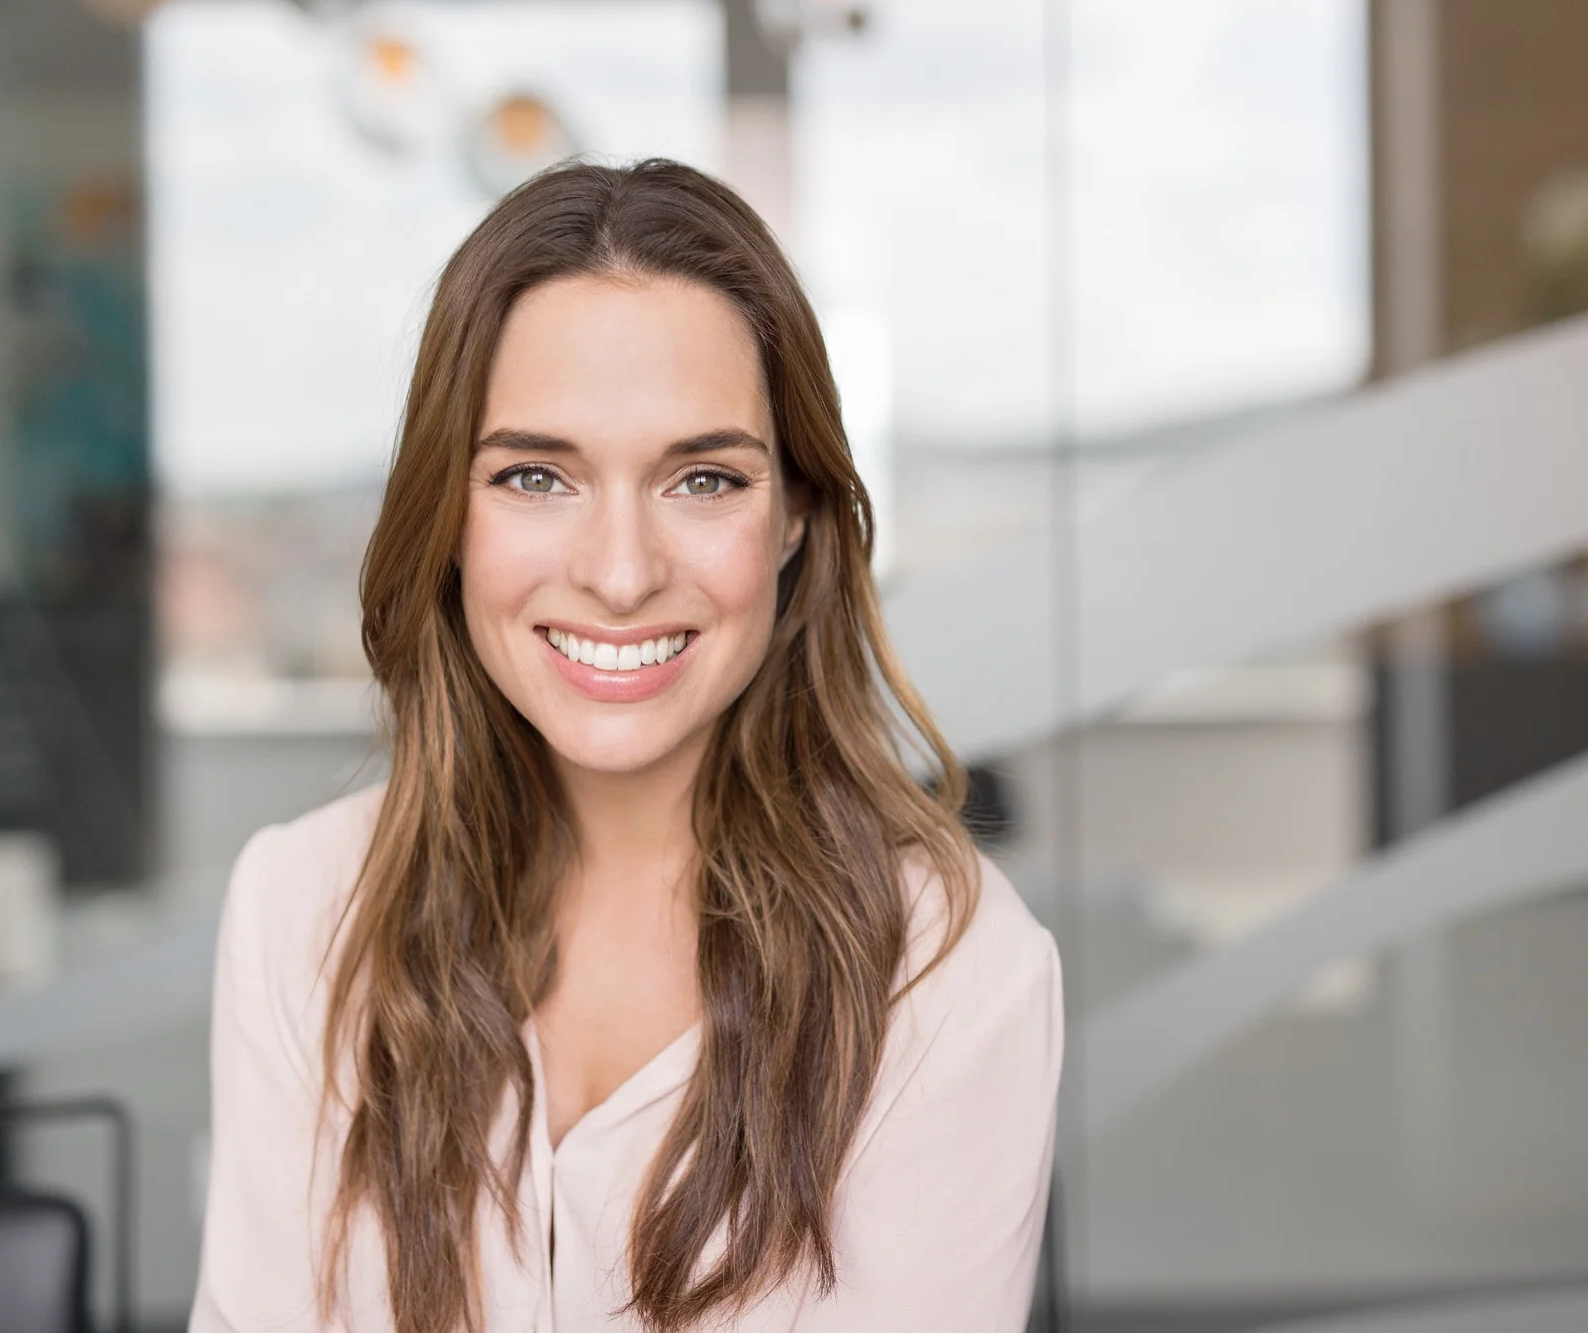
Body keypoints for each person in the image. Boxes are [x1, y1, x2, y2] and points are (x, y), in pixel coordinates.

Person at [188, 158, 1063, 1333]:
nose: (618, 571)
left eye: (702, 478)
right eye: (535, 476)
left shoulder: (948, 973)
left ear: (797, 514)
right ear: (445, 513)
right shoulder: (300, 911)